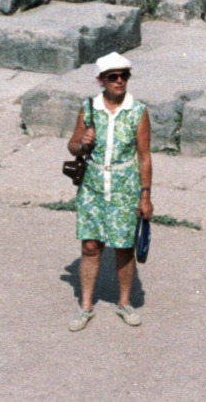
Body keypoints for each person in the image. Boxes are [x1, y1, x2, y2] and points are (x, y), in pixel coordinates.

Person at [66, 52, 152, 332]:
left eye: (123, 76)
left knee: (124, 247)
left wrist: (146, 196)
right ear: (100, 80)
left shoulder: (138, 111)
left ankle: (124, 303)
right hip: (93, 186)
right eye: (112, 77)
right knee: (90, 247)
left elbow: (144, 156)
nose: (119, 81)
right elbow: (72, 147)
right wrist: (83, 142)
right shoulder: (88, 108)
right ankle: (86, 307)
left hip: (124, 188)